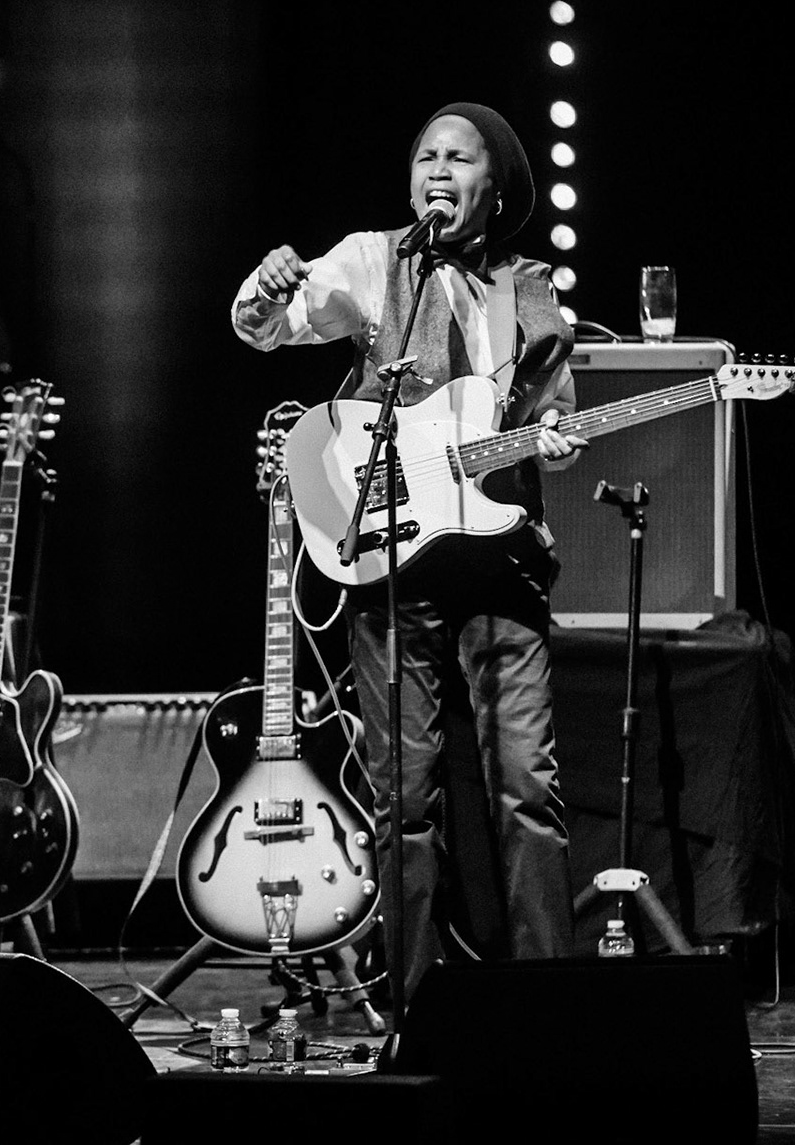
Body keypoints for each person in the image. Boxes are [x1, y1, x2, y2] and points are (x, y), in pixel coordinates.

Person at [231, 102, 585, 997]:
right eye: (425, 154)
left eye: (457, 158)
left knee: (526, 794)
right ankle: (416, 1004)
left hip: (501, 565)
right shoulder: (373, 260)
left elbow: (556, 416)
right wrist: (268, 291)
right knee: (406, 800)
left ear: (492, 184)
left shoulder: (532, 289)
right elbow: (272, 327)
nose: (436, 170)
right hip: (394, 567)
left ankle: (549, 1002)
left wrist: (555, 437)